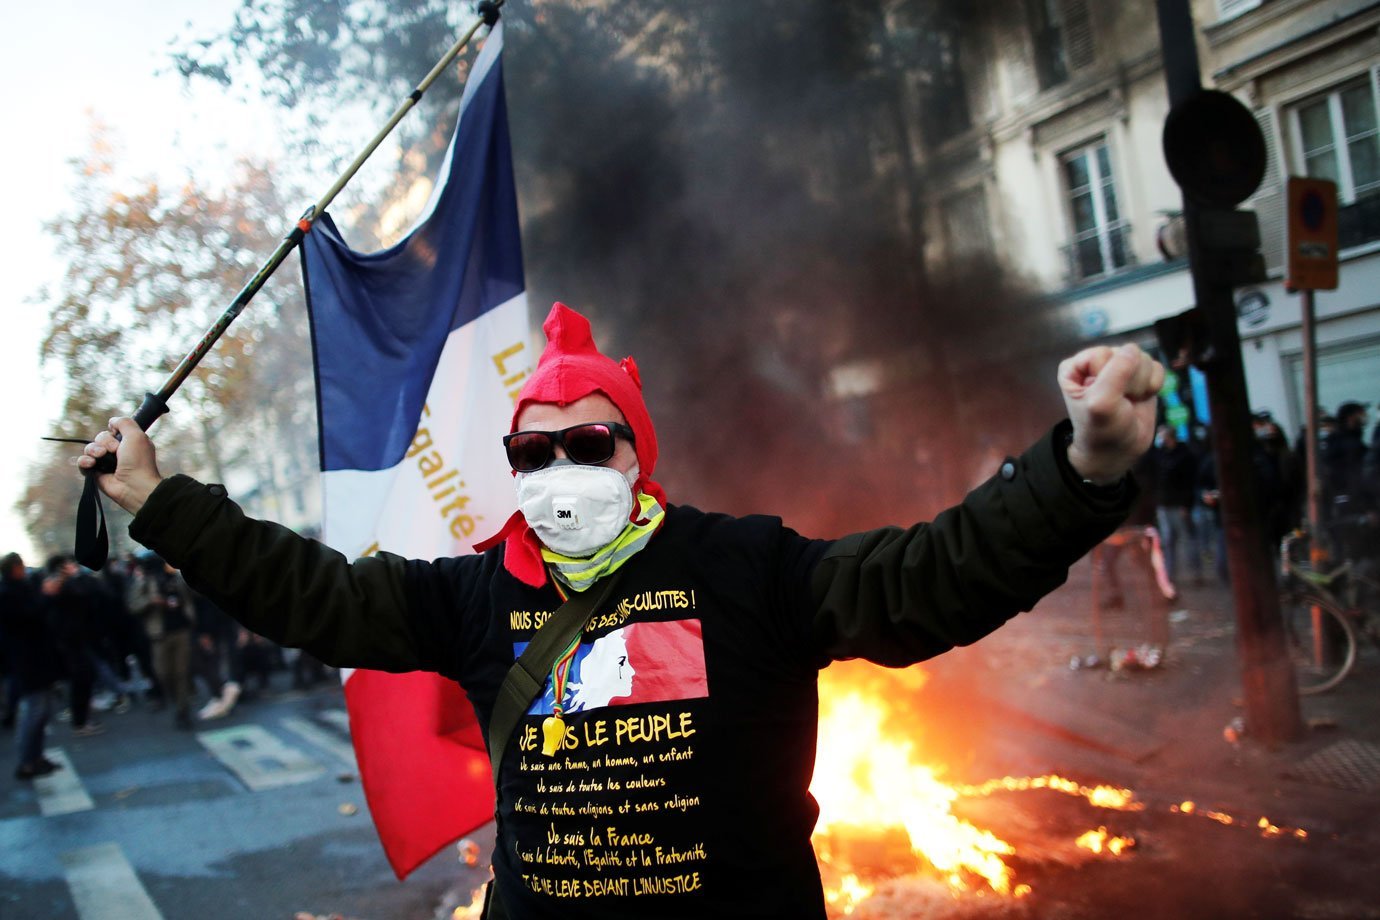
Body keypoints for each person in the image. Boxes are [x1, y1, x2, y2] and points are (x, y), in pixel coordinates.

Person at [80, 303, 1161, 918]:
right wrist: (163, 503)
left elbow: (929, 578)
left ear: (637, 451)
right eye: (532, 450)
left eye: (588, 442)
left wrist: (1082, 469)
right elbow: (311, 593)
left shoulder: (746, 564)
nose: (560, 467)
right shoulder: (470, 593)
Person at [1, 553, 65, 779]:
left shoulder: (20, 588)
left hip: (38, 657)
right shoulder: (8, 593)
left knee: (43, 710)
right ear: (14, 568)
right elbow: (28, 617)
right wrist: (46, 596)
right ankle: (27, 761)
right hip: (28, 660)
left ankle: (35, 757)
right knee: (35, 711)